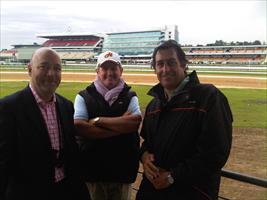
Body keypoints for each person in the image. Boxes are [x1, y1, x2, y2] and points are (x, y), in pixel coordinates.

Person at [136, 40, 233, 200]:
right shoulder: (154, 104)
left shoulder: (209, 97)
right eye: (160, 64)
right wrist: (144, 156)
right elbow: (147, 143)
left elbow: (215, 153)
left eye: (171, 62)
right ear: (155, 69)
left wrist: (173, 176)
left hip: (192, 192)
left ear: (183, 64)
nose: (165, 69)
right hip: (152, 190)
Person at [0, 47, 90, 200]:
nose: (51, 74)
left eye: (57, 68)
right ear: (29, 69)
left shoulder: (66, 106)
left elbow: (71, 153)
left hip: (64, 190)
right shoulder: (8, 107)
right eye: (44, 67)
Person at [74, 51, 142, 200]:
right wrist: (121, 127)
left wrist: (98, 121)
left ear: (121, 71)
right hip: (92, 173)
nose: (110, 73)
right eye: (105, 68)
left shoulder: (130, 95)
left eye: (114, 68)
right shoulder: (83, 96)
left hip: (122, 173)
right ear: (97, 71)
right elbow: (80, 127)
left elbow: (134, 123)